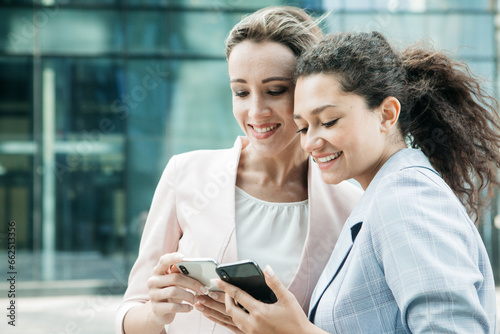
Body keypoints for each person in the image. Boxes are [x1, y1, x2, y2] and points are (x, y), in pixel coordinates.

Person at [217, 31, 500, 333]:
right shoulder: (379, 198)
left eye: (328, 121)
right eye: (302, 127)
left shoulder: (406, 199)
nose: (311, 142)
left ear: (386, 115)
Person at [115, 7, 363, 334]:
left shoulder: (350, 203)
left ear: (308, 91)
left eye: (275, 90)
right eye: (241, 92)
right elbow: (130, 312)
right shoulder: (185, 175)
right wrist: (156, 315)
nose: (255, 112)